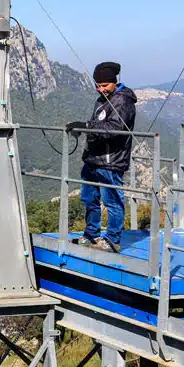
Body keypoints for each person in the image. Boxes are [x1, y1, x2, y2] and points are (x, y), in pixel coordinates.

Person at [69, 61, 137, 252]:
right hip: (93, 159)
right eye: (98, 85)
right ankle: (91, 234)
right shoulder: (102, 100)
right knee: (89, 199)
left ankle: (112, 240)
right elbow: (97, 124)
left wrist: (87, 126)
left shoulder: (123, 101)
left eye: (105, 85)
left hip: (110, 161)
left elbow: (115, 129)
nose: (101, 89)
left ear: (114, 82)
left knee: (113, 201)